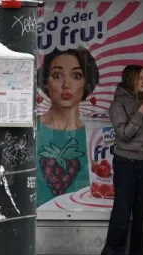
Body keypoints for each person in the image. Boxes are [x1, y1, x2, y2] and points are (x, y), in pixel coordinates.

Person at [101, 64, 143, 255]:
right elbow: (123, 134)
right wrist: (139, 114)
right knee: (122, 209)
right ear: (131, 79)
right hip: (125, 162)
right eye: (141, 78)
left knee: (141, 213)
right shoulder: (118, 103)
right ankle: (111, 254)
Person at [36, 47, 98, 205]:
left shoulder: (94, 136)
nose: (66, 84)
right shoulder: (31, 130)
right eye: (57, 75)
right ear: (45, 81)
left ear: (86, 82)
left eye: (76, 75)